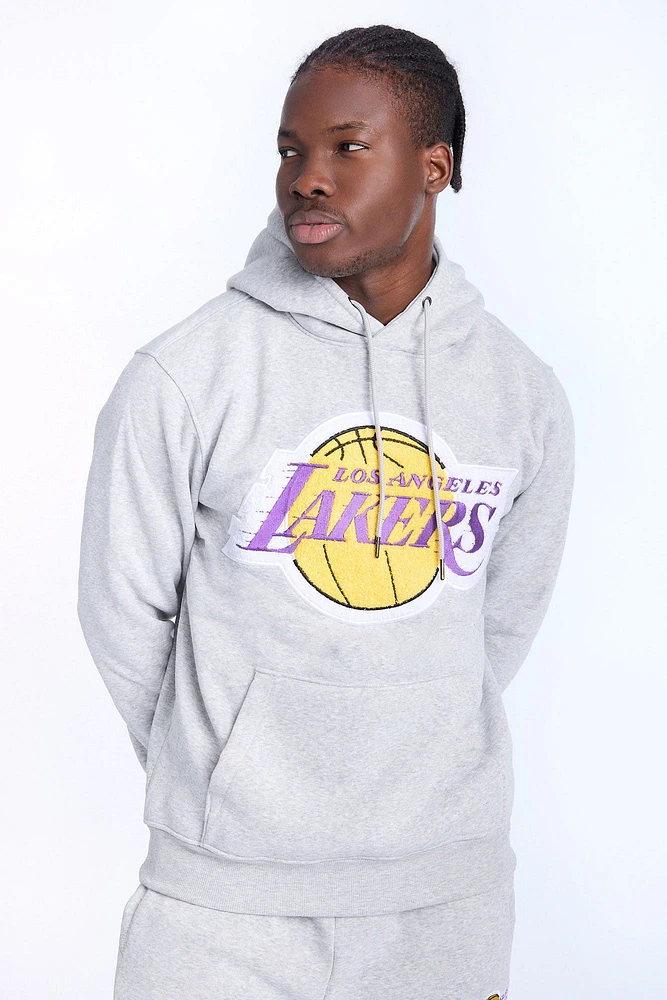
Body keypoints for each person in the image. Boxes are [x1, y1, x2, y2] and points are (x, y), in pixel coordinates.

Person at [77, 23, 575, 1000]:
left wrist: (414, 722)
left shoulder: (520, 394)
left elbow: (501, 621)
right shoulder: (186, 374)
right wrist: (223, 766)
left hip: (445, 905)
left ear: (434, 167)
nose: (307, 177)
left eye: (348, 147)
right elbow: (120, 610)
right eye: (291, 150)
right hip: (219, 910)